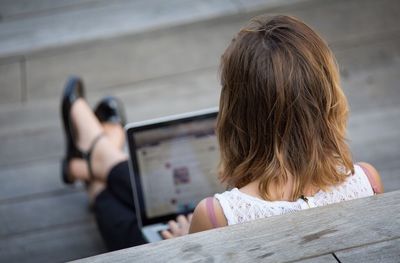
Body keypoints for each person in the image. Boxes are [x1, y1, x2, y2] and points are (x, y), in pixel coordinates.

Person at [60, 15, 384, 251]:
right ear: (328, 95)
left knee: (117, 214)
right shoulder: (368, 181)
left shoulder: (216, 216)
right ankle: (94, 157)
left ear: (235, 110)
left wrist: (186, 242)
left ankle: (94, 158)